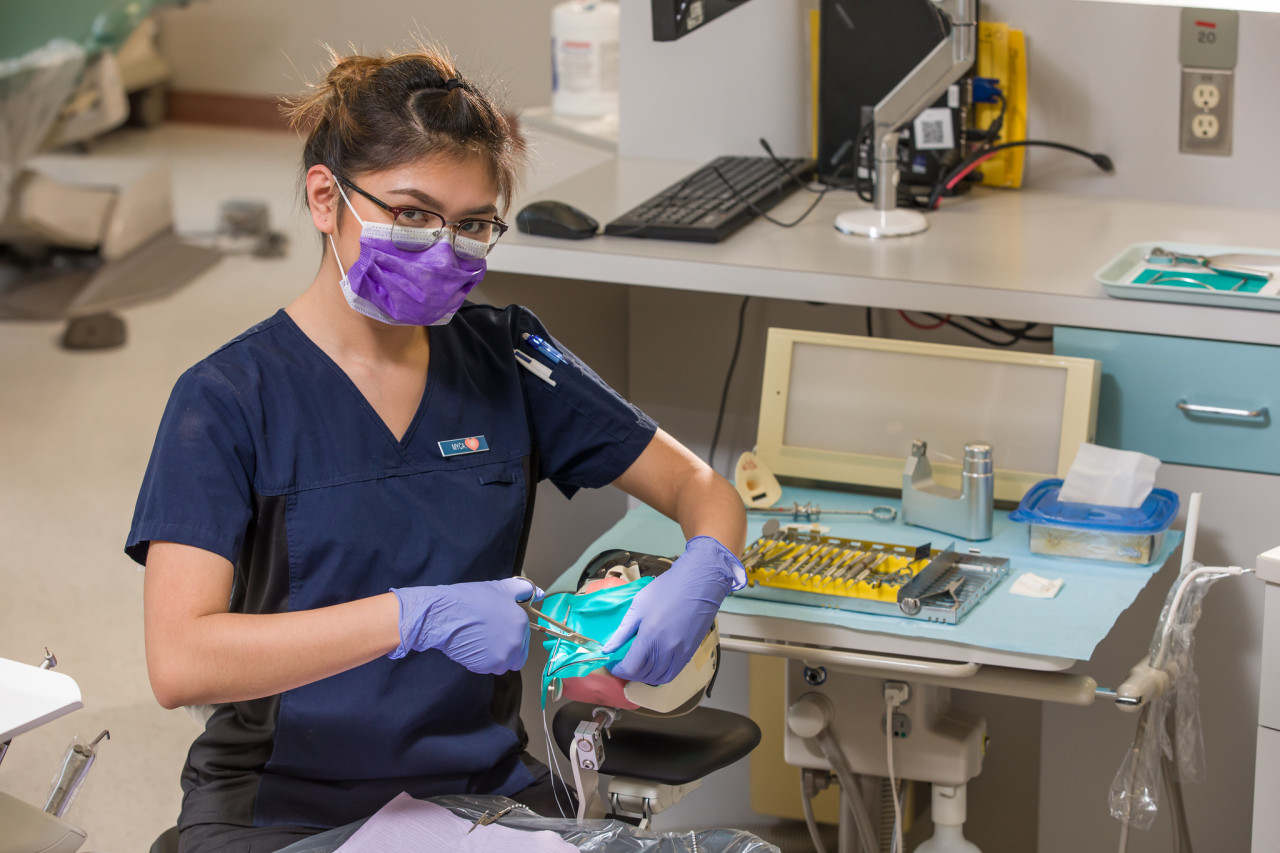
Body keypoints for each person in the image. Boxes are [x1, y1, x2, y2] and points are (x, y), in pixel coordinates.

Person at [126, 44, 747, 853]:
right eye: (412, 214)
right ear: (326, 198)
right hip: (282, 804)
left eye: (473, 224)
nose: (443, 247)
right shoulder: (229, 398)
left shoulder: (510, 357)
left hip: (479, 793)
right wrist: (409, 617)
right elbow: (180, 660)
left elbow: (704, 489)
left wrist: (705, 568)